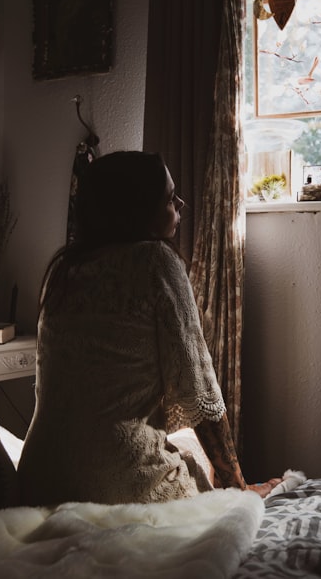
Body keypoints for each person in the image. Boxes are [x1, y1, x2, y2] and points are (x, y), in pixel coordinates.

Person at [18, 150, 281, 506]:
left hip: (38, 481)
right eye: (170, 198)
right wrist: (240, 488)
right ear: (138, 209)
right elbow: (201, 392)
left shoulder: (64, 270)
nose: (181, 204)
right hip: (113, 486)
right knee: (191, 465)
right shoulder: (155, 261)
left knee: (183, 449)